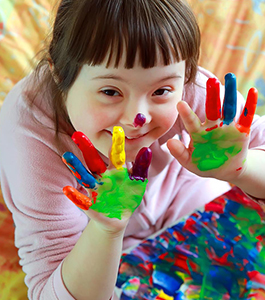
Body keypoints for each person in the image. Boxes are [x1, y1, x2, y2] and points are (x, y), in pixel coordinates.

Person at [0, 0, 265, 299]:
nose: (138, 118)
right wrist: (106, 230)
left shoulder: (195, 94)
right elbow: (49, 293)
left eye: (161, 91)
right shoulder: (29, 136)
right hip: (94, 246)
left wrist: (242, 167)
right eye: (110, 92)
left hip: (185, 196)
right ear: (59, 73)